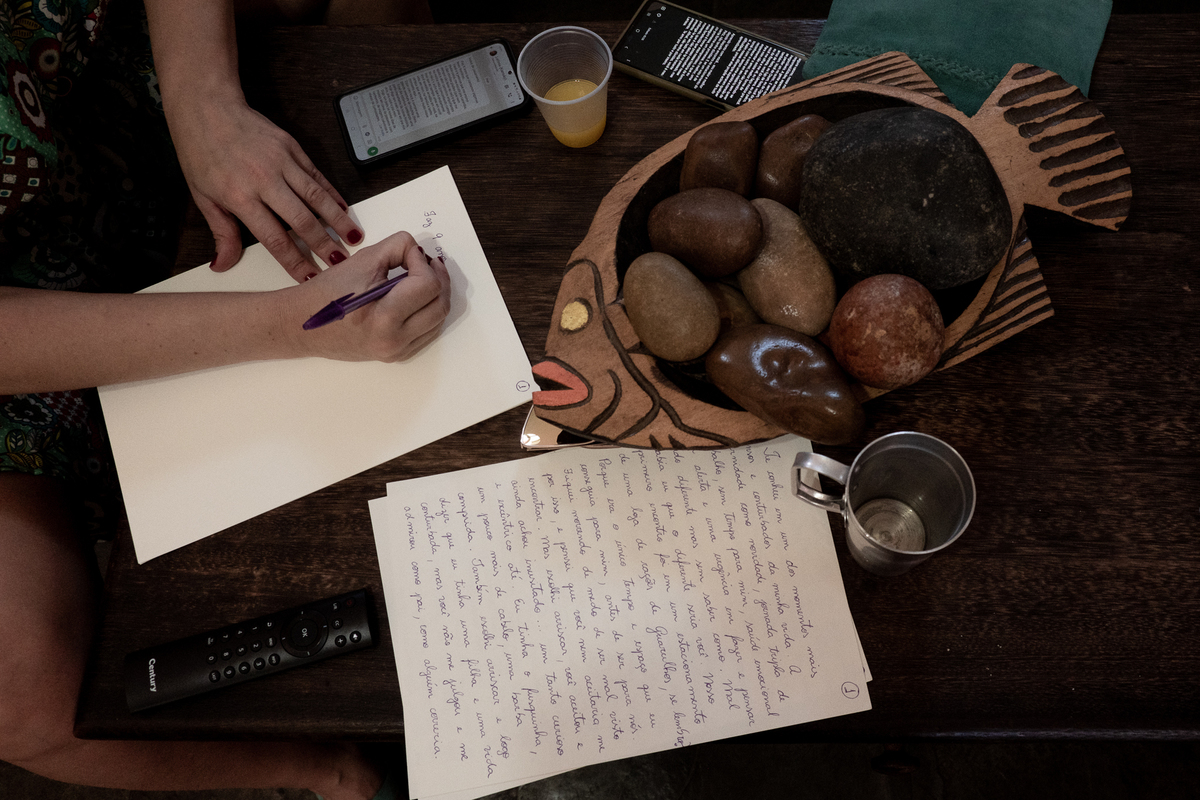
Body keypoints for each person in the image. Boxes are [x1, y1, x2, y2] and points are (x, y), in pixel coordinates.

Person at [0, 1, 444, 798]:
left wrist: (203, 99)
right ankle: (322, 770)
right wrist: (289, 325)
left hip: (118, 68)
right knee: (20, 693)